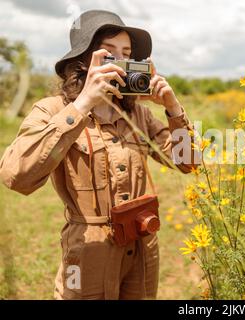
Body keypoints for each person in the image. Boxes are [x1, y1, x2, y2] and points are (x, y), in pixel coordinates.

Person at [0, 10, 198, 300]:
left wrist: (173, 109)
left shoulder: (138, 115)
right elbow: (16, 176)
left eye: (127, 54)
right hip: (87, 253)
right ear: (82, 62)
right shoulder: (53, 110)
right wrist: (82, 105)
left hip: (142, 247)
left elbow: (187, 162)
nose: (120, 62)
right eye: (109, 53)